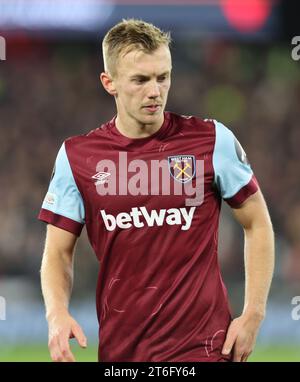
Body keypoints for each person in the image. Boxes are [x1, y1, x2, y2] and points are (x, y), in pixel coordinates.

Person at [38, 19, 274, 362]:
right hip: (122, 353)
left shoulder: (212, 140)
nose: (155, 91)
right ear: (110, 83)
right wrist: (56, 314)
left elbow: (257, 222)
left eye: (163, 77)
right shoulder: (77, 157)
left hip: (204, 349)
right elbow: (58, 252)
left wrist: (254, 313)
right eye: (140, 80)